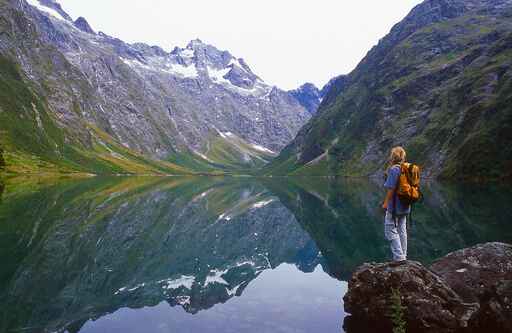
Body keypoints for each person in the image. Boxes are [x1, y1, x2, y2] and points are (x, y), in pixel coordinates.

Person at [381, 146, 410, 262]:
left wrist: (385, 203)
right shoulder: (407, 169)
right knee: (402, 230)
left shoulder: (394, 169)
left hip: (395, 206)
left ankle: (399, 257)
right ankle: (404, 255)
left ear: (393, 157)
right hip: (406, 205)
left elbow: (391, 188)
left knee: (390, 230)